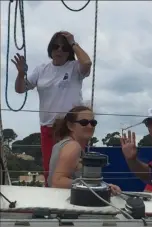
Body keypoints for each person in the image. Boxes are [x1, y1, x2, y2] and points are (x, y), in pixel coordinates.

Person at [11, 31, 92, 183]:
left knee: (75, 169)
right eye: (56, 46)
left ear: (69, 51)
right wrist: (21, 74)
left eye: (64, 47)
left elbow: (87, 63)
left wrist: (73, 42)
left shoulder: (75, 67)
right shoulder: (41, 70)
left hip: (72, 128)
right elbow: (20, 89)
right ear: (50, 49)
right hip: (49, 127)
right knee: (50, 170)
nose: (59, 50)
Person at [47, 105, 121, 195]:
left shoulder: (63, 144)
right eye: (84, 122)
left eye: (93, 123)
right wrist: (98, 187)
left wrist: (105, 186)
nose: (90, 126)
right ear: (70, 126)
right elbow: (57, 181)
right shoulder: (73, 146)